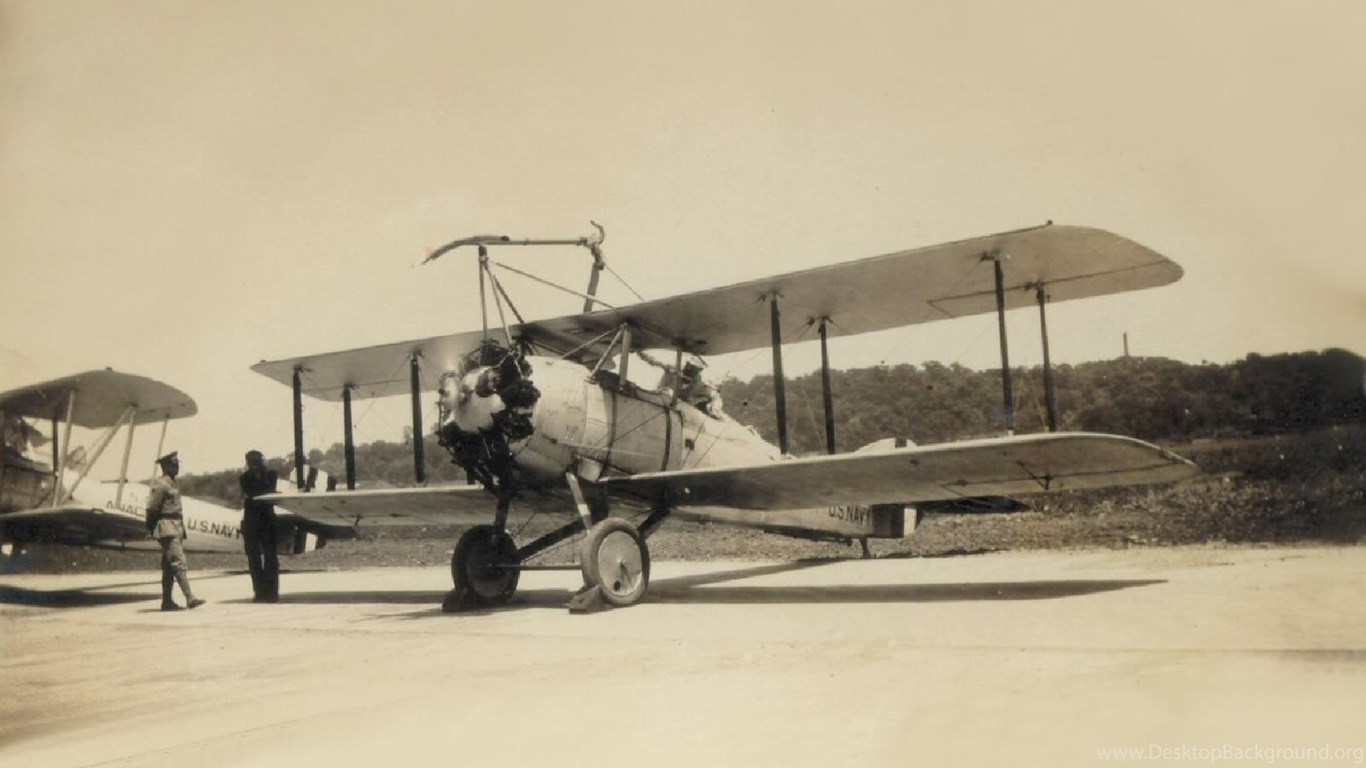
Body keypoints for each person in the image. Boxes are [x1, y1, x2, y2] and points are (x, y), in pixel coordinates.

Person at [145, 452, 205, 611]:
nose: (177, 466)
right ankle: (190, 598)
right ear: (165, 466)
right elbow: (152, 508)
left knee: (168, 567)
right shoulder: (162, 484)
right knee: (178, 563)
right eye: (174, 463)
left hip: (176, 527)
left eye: (177, 463)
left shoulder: (172, 483)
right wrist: (151, 527)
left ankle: (167, 602)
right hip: (167, 527)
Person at [238, 450, 280, 602]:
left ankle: (270, 593)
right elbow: (259, 491)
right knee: (255, 559)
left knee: (269, 558)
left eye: (256, 462)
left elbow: (259, 492)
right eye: (252, 462)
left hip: (263, 520)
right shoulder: (245, 478)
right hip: (254, 521)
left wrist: (257, 493)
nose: (255, 465)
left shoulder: (271, 475)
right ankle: (261, 592)